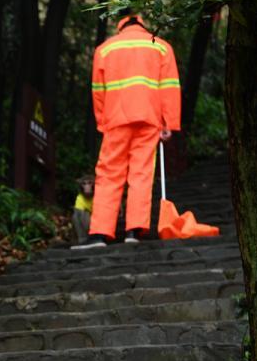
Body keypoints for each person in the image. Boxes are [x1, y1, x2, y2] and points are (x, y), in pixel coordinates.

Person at [74, 13, 181, 249]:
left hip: (116, 120)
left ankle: (100, 233)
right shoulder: (161, 47)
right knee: (141, 174)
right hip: (149, 119)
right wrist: (168, 123)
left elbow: (98, 91)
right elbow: (170, 87)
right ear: (142, 24)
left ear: (120, 26)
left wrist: (102, 122)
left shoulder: (105, 49)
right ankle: (134, 231)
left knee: (109, 174)